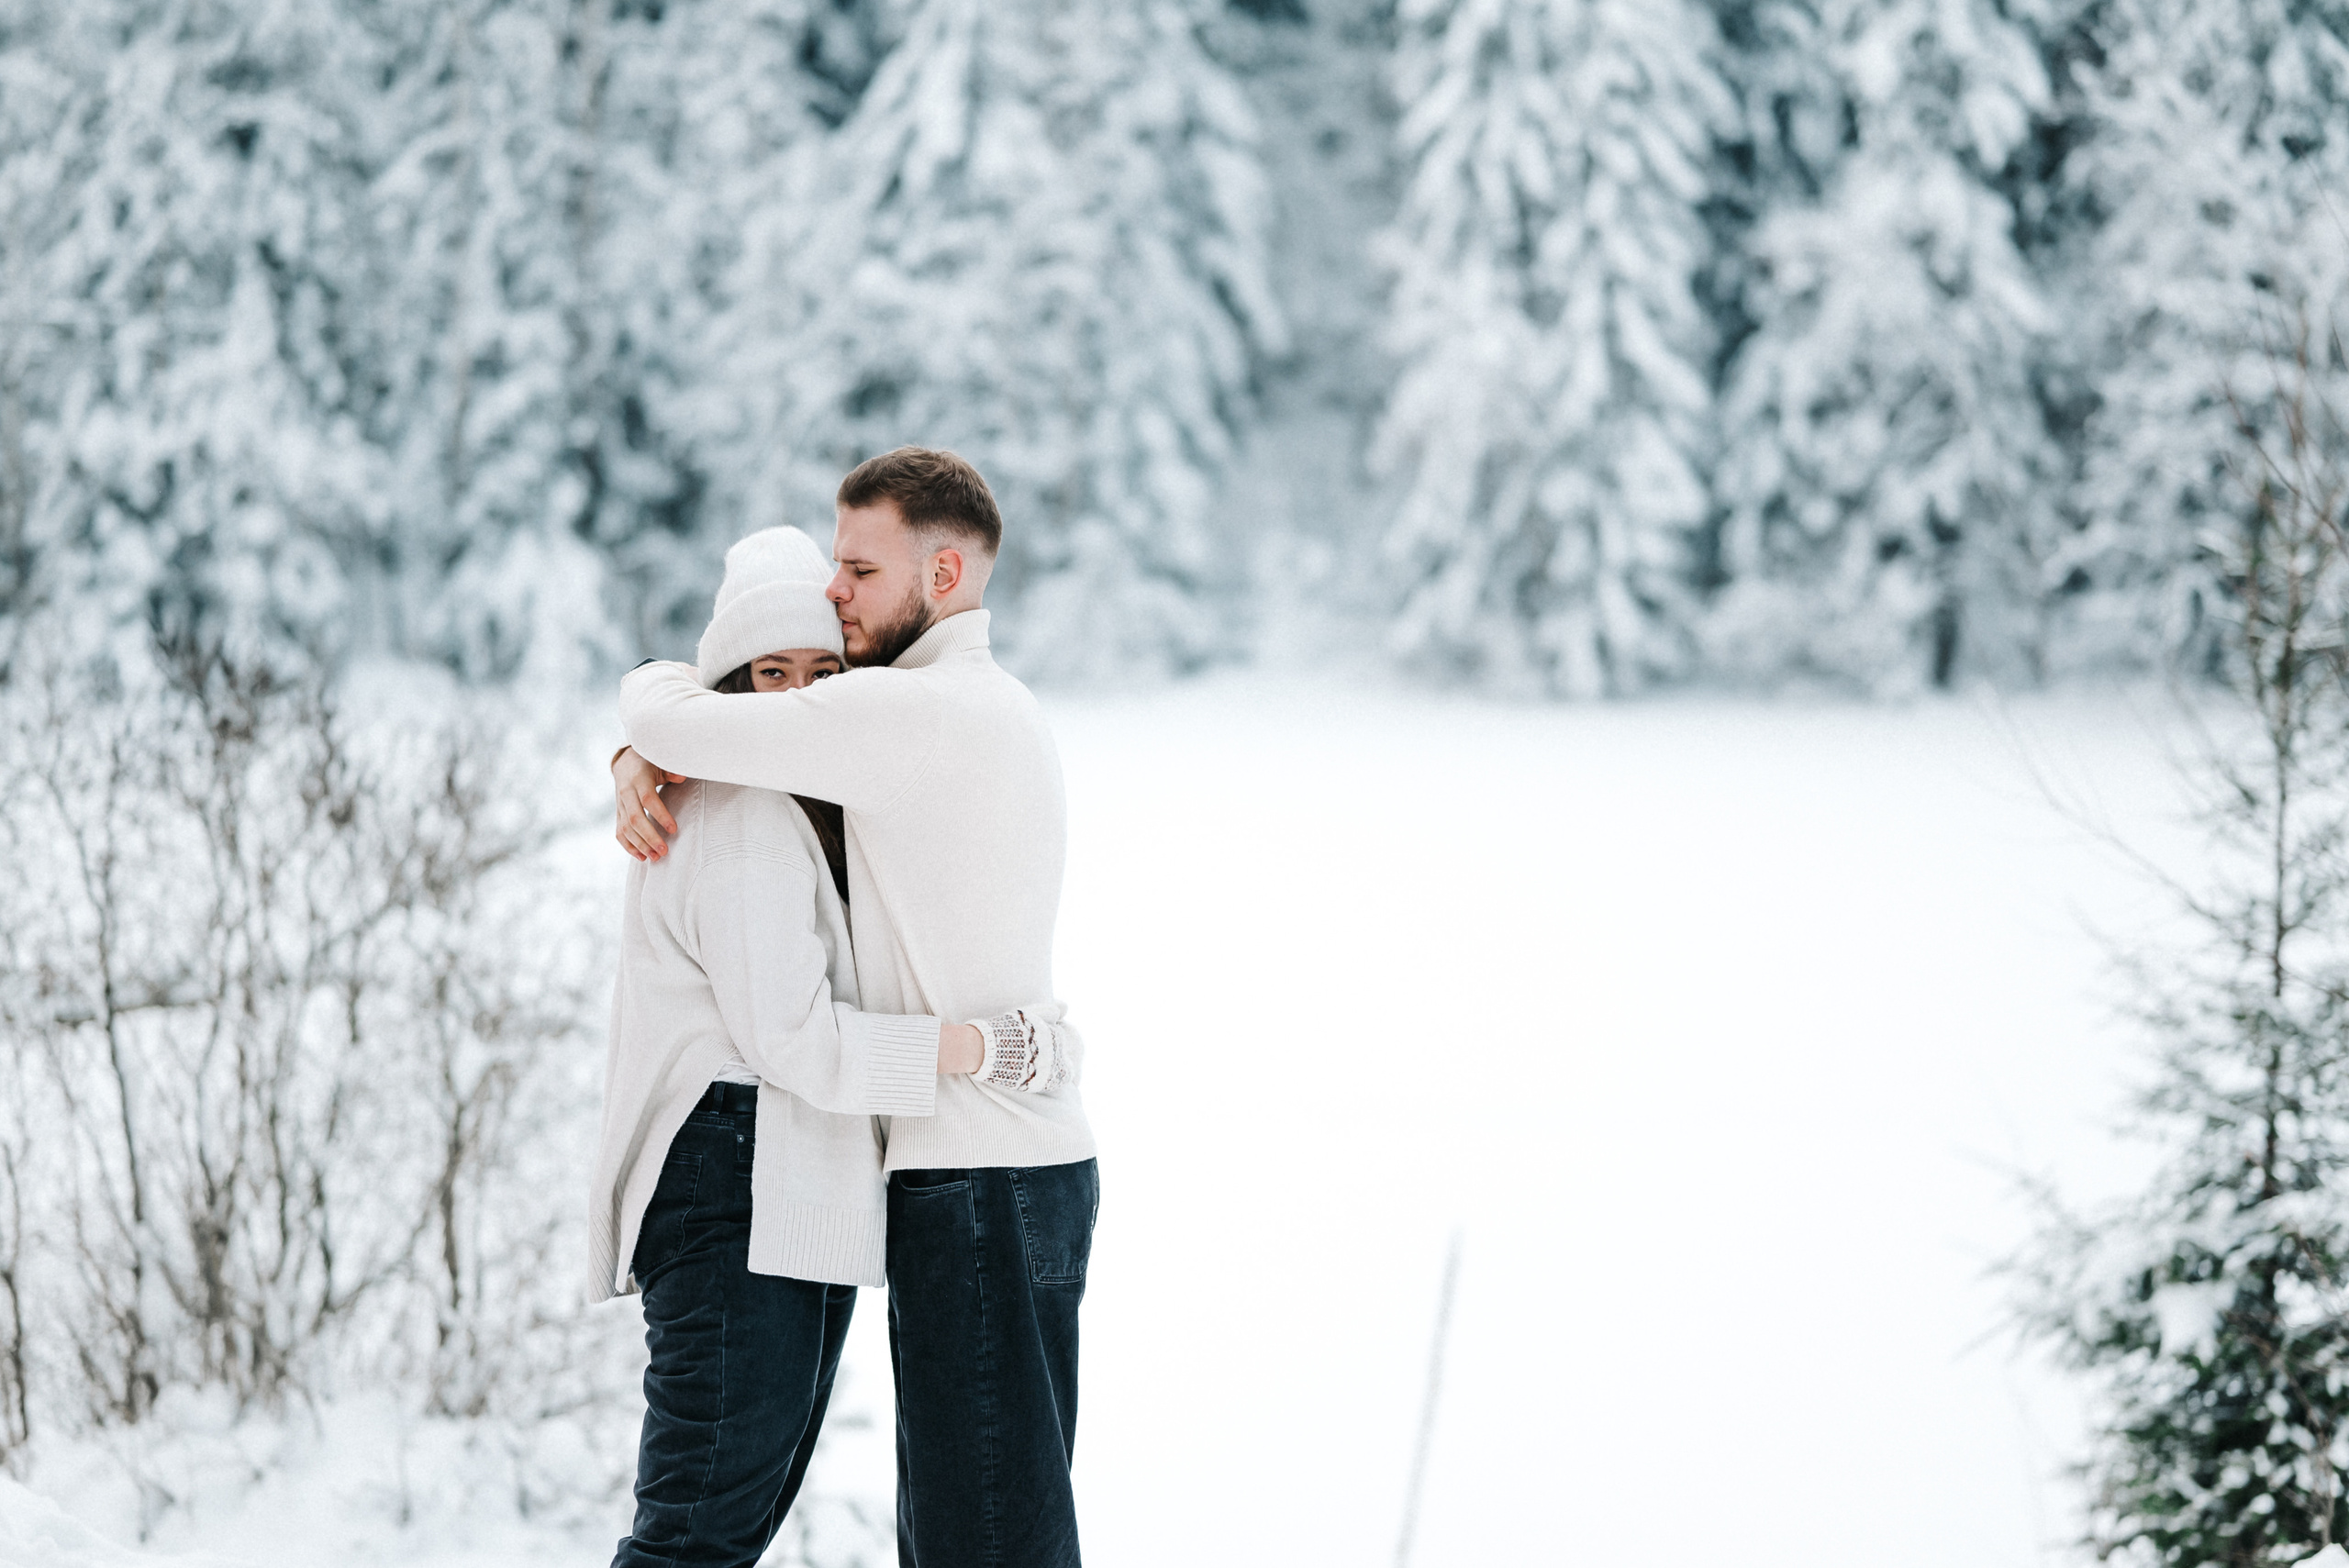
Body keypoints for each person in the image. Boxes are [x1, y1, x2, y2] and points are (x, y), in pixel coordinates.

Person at [610, 448, 1097, 1567]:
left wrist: (640, 737)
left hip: (975, 1173)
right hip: (1019, 1167)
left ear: (942, 573)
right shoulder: (997, 705)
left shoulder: (899, 713)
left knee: (982, 1539)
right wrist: (642, 753)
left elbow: (675, 712)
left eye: (860, 570)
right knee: (990, 1524)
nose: (835, 592)